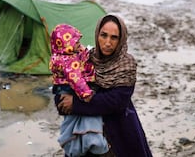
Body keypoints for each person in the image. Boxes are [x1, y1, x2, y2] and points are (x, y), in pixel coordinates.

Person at [56, 14, 153, 157]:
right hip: (84, 136)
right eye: (104, 35)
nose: (108, 42)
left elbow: (116, 102)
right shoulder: (84, 59)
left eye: (114, 37)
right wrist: (64, 101)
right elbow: (61, 96)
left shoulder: (126, 65)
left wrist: (76, 104)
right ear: (97, 35)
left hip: (119, 134)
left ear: (121, 39)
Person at [50, 24, 109, 157]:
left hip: (66, 88)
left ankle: (77, 145)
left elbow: (116, 102)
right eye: (75, 43)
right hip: (69, 88)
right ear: (66, 45)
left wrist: (84, 52)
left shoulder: (65, 55)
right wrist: (86, 95)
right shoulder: (68, 61)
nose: (79, 45)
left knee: (73, 121)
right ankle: (78, 145)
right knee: (71, 121)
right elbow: (76, 80)